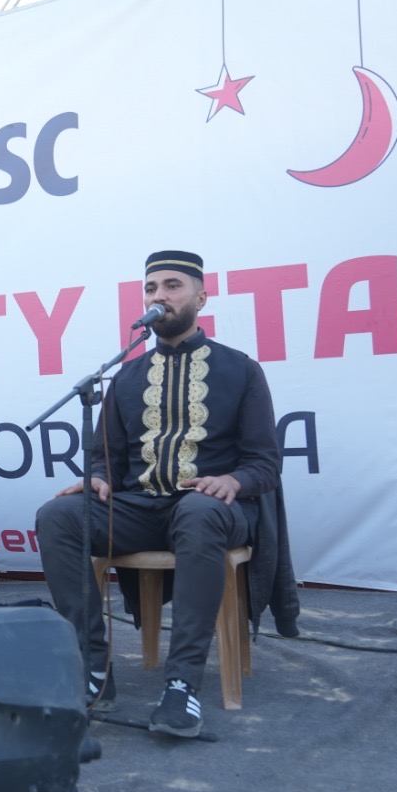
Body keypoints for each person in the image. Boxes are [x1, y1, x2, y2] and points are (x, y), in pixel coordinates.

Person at [35, 250, 281, 737]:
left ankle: (183, 684)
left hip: (213, 511)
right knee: (57, 516)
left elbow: (265, 463)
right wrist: (101, 475)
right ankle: (91, 669)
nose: (159, 297)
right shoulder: (126, 374)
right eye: (151, 288)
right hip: (141, 507)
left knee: (196, 510)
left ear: (201, 297)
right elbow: (105, 454)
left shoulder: (241, 370)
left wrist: (233, 481)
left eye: (172, 286)